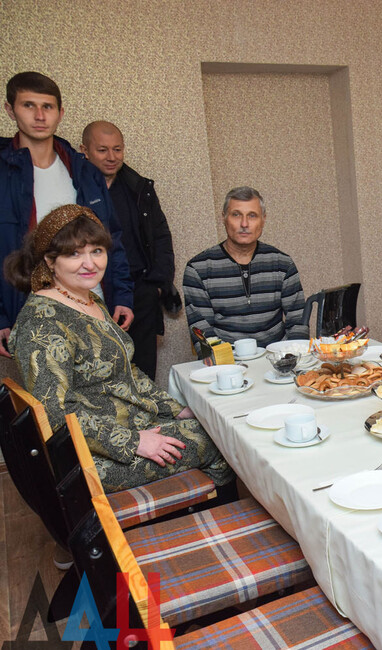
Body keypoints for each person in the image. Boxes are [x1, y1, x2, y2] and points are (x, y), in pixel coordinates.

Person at [4, 204, 234, 492]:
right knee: (219, 441)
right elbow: (55, 413)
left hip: (126, 424)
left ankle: (194, 508)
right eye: (74, 254)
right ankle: (208, 516)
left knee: (218, 424)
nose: (90, 263)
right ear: (50, 261)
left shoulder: (87, 299)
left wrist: (174, 409)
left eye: (97, 251)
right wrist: (134, 441)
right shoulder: (42, 321)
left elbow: (126, 371)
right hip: (90, 460)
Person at [1, 71, 134, 358]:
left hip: (94, 303)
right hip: (31, 311)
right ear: (10, 110)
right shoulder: (4, 174)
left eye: (47, 107)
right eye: (29, 105)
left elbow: (112, 238)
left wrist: (123, 295)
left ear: (60, 113)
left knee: (107, 378)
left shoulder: (85, 172)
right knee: (50, 384)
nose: (39, 116)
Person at [80, 120, 180, 381]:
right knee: (101, 375)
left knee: (143, 373)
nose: (112, 157)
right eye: (102, 150)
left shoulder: (138, 188)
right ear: (84, 151)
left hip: (140, 292)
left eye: (117, 149)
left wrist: (157, 286)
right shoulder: (74, 188)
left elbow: (161, 237)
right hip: (94, 291)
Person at [183, 186, 308, 347]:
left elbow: (298, 322)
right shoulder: (198, 269)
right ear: (224, 218)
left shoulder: (282, 264)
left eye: (252, 215)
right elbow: (203, 335)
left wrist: (290, 357)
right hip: (227, 359)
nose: (244, 224)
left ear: (263, 220)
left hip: (277, 356)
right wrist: (229, 362)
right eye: (236, 215)